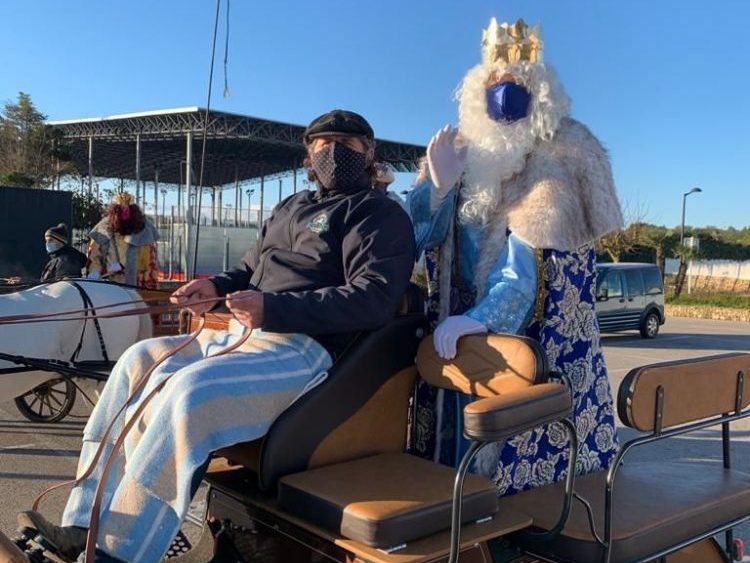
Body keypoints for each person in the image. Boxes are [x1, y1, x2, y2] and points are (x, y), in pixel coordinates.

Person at [18, 110, 416, 563]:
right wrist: (215, 287)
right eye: (321, 145)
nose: (332, 153)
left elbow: (373, 299)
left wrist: (274, 308)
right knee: (136, 361)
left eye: (346, 144)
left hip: (307, 349)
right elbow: (247, 270)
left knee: (191, 394)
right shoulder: (290, 207)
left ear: (369, 154)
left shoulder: (379, 215)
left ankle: (120, 552)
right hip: (242, 336)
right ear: (308, 155)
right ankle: (82, 523)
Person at [407, 18, 624, 496]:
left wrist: (481, 320)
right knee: (444, 464)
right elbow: (419, 236)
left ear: (540, 93)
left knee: (506, 474)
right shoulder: (461, 152)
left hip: (517, 337)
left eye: (517, 86)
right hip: (451, 336)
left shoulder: (563, 153)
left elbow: (528, 269)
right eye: (495, 85)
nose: (504, 96)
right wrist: (437, 189)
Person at [86, 193, 159, 289]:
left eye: (128, 208)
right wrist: (92, 282)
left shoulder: (144, 229)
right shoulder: (103, 228)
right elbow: (94, 260)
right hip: (110, 285)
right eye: (121, 209)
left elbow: (149, 263)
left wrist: (149, 289)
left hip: (136, 286)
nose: (125, 211)